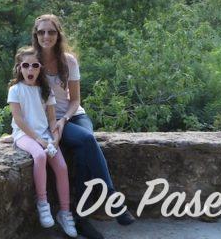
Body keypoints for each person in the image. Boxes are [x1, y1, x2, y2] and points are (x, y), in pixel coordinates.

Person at [32, 14, 136, 239]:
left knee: (83, 152)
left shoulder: (68, 61)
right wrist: (52, 123)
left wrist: (65, 120)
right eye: (41, 32)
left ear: (58, 35)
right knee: (87, 141)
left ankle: (80, 218)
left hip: (74, 115)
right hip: (49, 120)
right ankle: (111, 199)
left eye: (51, 32)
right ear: (36, 35)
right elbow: (22, 95)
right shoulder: (31, 62)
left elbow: (75, 100)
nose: (46, 36)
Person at [8, 46, 78, 238]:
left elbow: (52, 120)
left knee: (62, 167)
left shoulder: (46, 91)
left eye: (35, 65)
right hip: (24, 135)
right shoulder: (15, 90)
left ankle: (65, 212)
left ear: (40, 68)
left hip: (45, 134)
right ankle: (42, 203)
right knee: (39, 156)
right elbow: (19, 120)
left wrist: (55, 139)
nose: (30, 69)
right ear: (19, 68)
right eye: (26, 65)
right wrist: (38, 139)